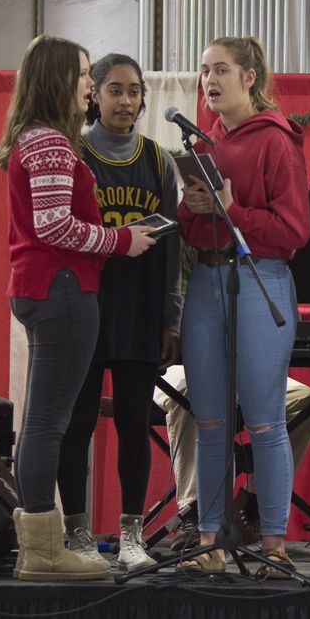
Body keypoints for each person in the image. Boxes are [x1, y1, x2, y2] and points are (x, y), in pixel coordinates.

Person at [0, 35, 155, 581]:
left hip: (47, 288)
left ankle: (40, 543)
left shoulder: (39, 139)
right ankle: (41, 547)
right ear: (60, 79)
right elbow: (54, 226)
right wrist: (122, 241)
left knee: (45, 422)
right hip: (62, 290)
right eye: (86, 75)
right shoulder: (52, 144)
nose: (89, 85)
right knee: (47, 424)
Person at [176, 36, 310, 578]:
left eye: (222, 70)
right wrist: (194, 210)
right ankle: (209, 539)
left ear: (250, 77)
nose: (210, 80)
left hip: (261, 281)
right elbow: (193, 233)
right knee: (208, 421)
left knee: (263, 422)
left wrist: (235, 212)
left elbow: (294, 231)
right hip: (207, 283)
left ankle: (275, 548)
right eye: (205, 70)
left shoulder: (277, 141)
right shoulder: (203, 144)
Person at [54, 54, 182, 572]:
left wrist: (170, 318)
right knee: (77, 423)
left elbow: (173, 249)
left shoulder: (158, 159)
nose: (125, 100)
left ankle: (132, 534)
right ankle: (77, 532)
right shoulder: (74, 153)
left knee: (134, 422)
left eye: (133, 91)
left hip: (141, 309)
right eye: (114, 90)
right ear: (94, 96)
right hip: (85, 305)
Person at [154, 364, 310, 551]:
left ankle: (254, 506)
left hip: (243, 367)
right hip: (180, 366)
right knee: (191, 393)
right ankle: (193, 512)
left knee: (307, 401)